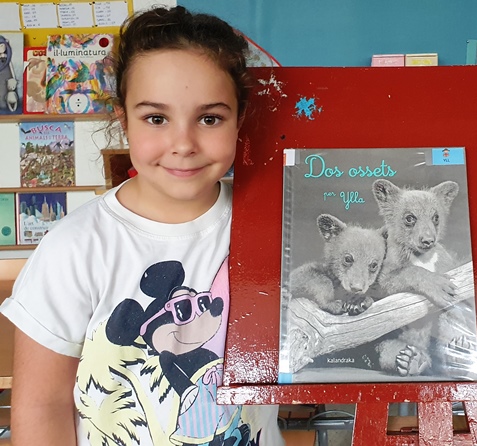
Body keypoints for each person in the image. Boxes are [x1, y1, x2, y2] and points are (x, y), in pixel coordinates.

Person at [0, 6, 284, 446]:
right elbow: (42, 407)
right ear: (124, 120)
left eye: (209, 118)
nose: (183, 144)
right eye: (156, 118)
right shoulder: (74, 248)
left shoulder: (273, 229)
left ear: (239, 120)